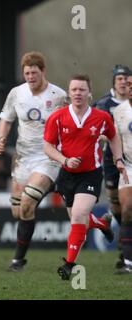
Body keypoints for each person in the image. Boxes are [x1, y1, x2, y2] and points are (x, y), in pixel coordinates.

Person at [43, 74, 126, 280]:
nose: (78, 93)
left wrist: (118, 159)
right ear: (69, 93)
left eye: (82, 90)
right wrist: (64, 160)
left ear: (90, 93)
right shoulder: (58, 117)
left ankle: (70, 264)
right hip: (67, 174)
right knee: (78, 219)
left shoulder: (101, 117)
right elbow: (47, 146)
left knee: (79, 215)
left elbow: (114, 137)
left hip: (91, 174)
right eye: (74, 90)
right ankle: (100, 224)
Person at [0, 51, 67, 272]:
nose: (30, 77)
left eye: (34, 73)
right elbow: (5, 120)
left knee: (28, 202)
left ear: (43, 71)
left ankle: (18, 261)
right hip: (23, 159)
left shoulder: (58, 96)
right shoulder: (17, 93)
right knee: (20, 212)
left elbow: (70, 125)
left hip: (48, 158)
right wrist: (0, 139)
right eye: (26, 73)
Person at [94, 64, 130, 269]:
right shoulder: (104, 104)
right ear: (114, 82)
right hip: (111, 161)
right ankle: (125, 245)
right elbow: (96, 129)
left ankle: (127, 251)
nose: (123, 82)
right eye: (119, 79)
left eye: (126, 78)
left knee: (128, 206)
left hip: (130, 161)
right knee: (117, 205)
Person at [112, 72, 132, 274]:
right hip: (129, 166)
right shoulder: (119, 111)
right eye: (129, 85)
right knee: (126, 209)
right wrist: (117, 159)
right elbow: (115, 140)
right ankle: (128, 262)